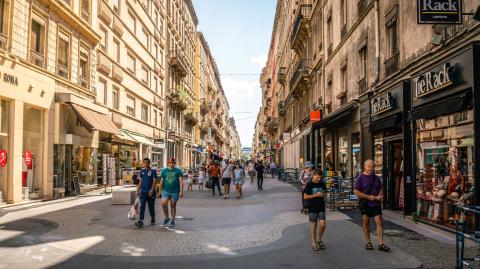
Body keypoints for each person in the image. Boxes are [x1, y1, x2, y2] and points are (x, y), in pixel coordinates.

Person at [354, 159, 390, 252]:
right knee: (366, 222)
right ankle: (368, 242)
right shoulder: (360, 178)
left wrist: (380, 195)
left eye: (372, 167)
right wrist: (369, 197)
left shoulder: (376, 178)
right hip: (365, 203)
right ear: (365, 167)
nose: (371, 168)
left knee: (379, 221)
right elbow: (356, 192)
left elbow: (381, 188)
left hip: (376, 203)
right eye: (369, 166)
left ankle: (381, 244)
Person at [303, 169, 327, 251]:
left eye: (320, 177)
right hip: (312, 207)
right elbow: (305, 197)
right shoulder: (309, 184)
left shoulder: (322, 184)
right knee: (314, 226)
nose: (319, 179)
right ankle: (314, 242)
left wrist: (323, 194)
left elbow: (325, 193)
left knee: (323, 224)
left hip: (321, 206)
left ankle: (319, 239)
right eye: (318, 177)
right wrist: (316, 195)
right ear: (314, 175)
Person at [159, 158, 184, 228]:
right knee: (163, 204)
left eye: (173, 162)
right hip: (166, 191)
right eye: (170, 162)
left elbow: (181, 181)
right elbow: (161, 181)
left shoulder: (178, 171)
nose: (171, 164)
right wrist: (159, 191)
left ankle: (172, 220)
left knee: (173, 205)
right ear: (168, 163)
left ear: (174, 163)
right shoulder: (164, 171)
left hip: (175, 191)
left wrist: (181, 191)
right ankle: (167, 218)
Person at [134, 158, 158, 228]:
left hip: (150, 192)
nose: (145, 164)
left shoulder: (153, 171)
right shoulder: (142, 171)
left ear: (149, 163)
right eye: (144, 162)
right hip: (143, 192)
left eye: (147, 162)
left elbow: (154, 181)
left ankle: (153, 218)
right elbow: (140, 181)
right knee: (142, 206)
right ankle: (141, 221)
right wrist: (137, 190)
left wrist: (151, 190)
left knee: (151, 207)